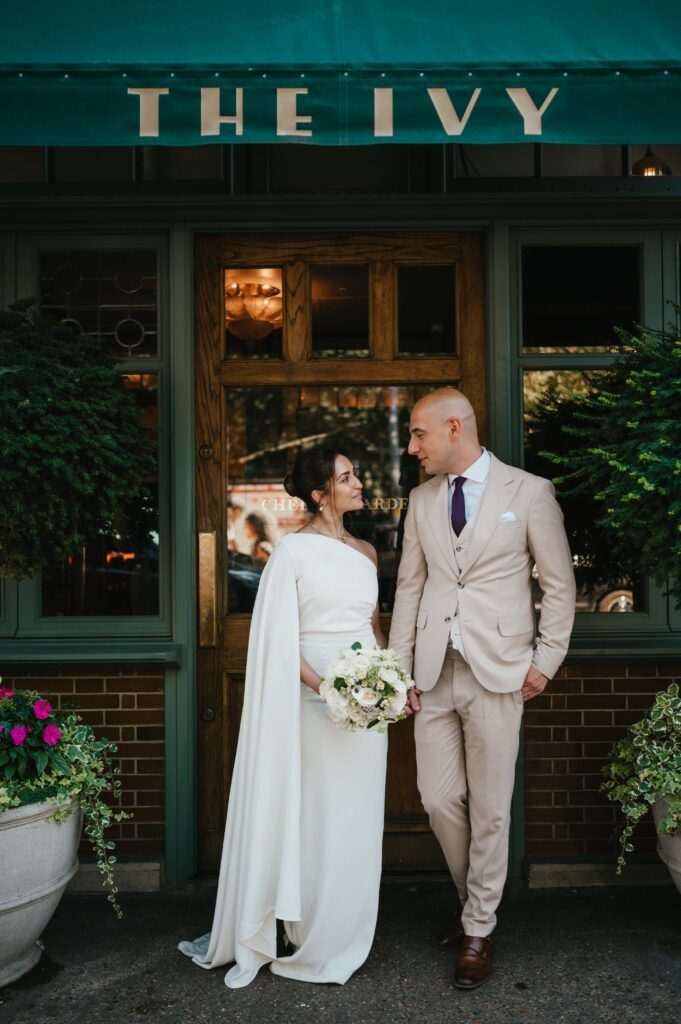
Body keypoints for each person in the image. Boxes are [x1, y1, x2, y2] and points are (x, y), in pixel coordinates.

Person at [179, 447, 388, 987]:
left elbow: (374, 629)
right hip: (316, 705)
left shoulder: (367, 551)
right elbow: (276, 641)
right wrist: (333, 690)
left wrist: (391, 684)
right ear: (320, 494)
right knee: (318, 816)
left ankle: (347, 926)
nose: (359, 483)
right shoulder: (291, 554)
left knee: (358, 818)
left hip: (370, 710)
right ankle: (305, 930)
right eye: (347, 478)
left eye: (356, 475)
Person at [389, 388, 576, 990]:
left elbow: (559, 583)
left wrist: (545, 660)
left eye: (419, 435)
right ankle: (476, 906)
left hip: (500, 671)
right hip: (432, 673)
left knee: (492, 808)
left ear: (453, 428)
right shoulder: (419, 500)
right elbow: (409, 588)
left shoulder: (529, 492)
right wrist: (397, 671)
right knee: (439, 800)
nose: (412, 447)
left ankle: (478, 930)